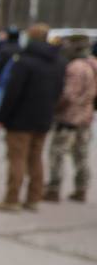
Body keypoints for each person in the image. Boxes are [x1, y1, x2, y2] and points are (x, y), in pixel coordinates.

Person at [0, 23, 65, 212]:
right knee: (36, 158)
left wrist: (2, 117)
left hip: (21, 119)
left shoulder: (24, 61)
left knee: (17, 159)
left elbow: (13, 93)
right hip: (43, 117)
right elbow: (59, 91)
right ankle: (33, 198)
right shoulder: (58, 61)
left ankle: (12, 199)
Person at [44, 35, 97, 203]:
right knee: (81, 154)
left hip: (68, 119)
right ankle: (81, 188)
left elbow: (68, 95)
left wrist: (55, 108)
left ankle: (54, 188)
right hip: (86, 117)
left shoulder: (75, 67)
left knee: (57, 154)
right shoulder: (93, 64)